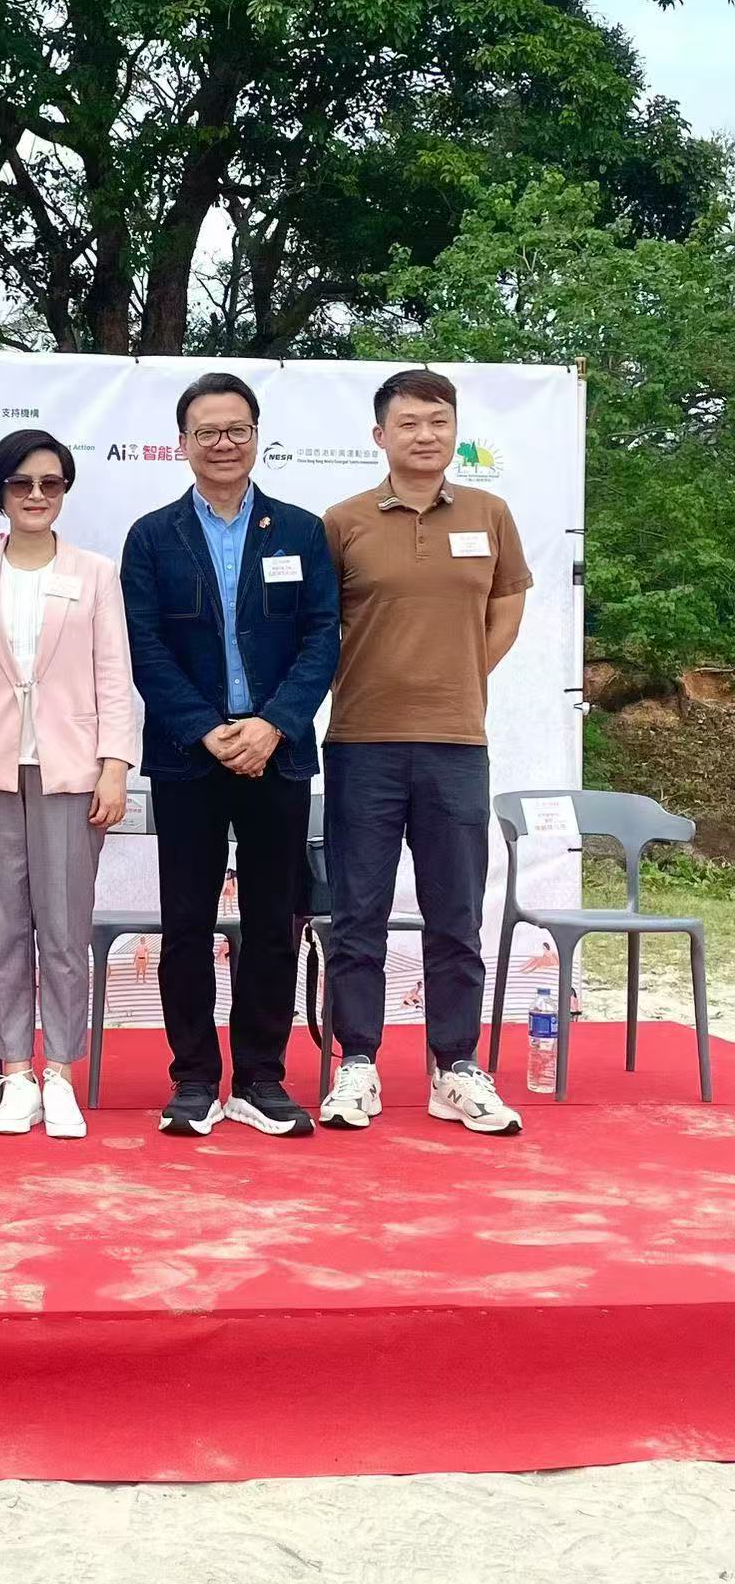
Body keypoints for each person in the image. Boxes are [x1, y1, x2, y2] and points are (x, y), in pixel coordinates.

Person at [121, 373, 339, 1138]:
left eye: (237, 429)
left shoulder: (302, 531)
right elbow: (143, 645)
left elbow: (322, 640)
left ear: (256, 436)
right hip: (189, 757)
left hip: (275, 754)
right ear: (182, 443)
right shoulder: (151, 536)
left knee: (275, 919)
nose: (223, 444)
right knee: (184, 921)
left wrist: (274, 723)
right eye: (208, 431)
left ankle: (262, 1077)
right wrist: (205, 728)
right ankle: (192, 1079)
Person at [317, 368, 532, 1135]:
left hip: (455, 744)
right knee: (358, 915)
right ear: (380, 436)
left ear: (454, 429)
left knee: (455, 917)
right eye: (407, 422)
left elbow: (507, 601)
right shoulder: (342, 521)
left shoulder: (490, 513)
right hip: (361, 745)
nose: (425, 434)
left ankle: (456, 1067)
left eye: (438, 421)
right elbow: (316, 628)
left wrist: (466, 670)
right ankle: (358, 1065)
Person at [0, 429, 137, 1138]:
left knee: (63, 927)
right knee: (4, 930)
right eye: (21, 483)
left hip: (73, 771)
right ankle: (15, 1071)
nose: (36, 496)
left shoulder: (95, 574)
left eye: (51, 483)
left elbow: (114, 675)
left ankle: (60, 1076)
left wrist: (115, 764)